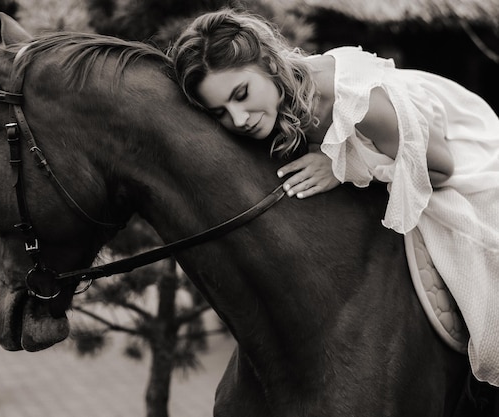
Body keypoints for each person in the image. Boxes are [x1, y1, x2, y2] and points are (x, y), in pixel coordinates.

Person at [168, 9, 499, 386]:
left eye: (241, 95)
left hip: (453, 156)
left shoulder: (357, 106)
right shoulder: (278, 98)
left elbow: (440, 169)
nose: (240, 118)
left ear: (269, 64)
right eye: (221, 112)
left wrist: (342, 166)